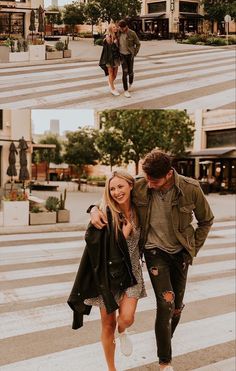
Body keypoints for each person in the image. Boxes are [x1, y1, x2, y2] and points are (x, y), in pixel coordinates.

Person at [89, 150, 214, 371]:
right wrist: (93, 210)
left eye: (153, 180)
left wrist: (192, 248)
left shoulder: (190, 188)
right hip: (154, 251)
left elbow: (206, 220)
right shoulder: (140, 183)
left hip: (180, 254)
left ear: (168, 174)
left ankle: (164, 341)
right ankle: (165, 362)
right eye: (146, 178)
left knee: (176, 308)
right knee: (166, 303)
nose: (148, 183)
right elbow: (112, 196)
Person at [68, 171, 146, 371]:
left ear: (130, 185)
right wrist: (96, 210)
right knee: (108, 324)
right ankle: (111, 369)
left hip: (132, 274)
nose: (117, 192)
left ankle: (124, 331)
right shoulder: (106, 213)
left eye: (121, 187)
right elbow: (98, 246)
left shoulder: (141, 209)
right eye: (112, 188)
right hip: (108, 277)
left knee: (127, 318)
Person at [118, 19, 141, 98]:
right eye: (120, 28)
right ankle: (126, 90)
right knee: (125, 72)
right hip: (122, 55)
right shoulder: (118, 32)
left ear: (126, 27)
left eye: (122, 28)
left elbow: (138, 44)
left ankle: (130, 83)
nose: (121, 29)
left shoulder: (132, 33)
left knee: (130, 72)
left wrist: (134, 53)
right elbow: (109, 33)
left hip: (130, 55)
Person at [99, 23, 121, 96]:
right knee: (111, 73)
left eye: (116, 27)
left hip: (116, 58)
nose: (116, 28)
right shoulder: (107, 38)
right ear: (111, 29)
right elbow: (109, 50)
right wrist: (114, 44)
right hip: (109, 58)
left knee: (115, 74)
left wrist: (116, 44)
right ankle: (112, 89)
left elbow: (118, 49)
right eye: (114, 27)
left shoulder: (117, 36)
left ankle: (110, 83)